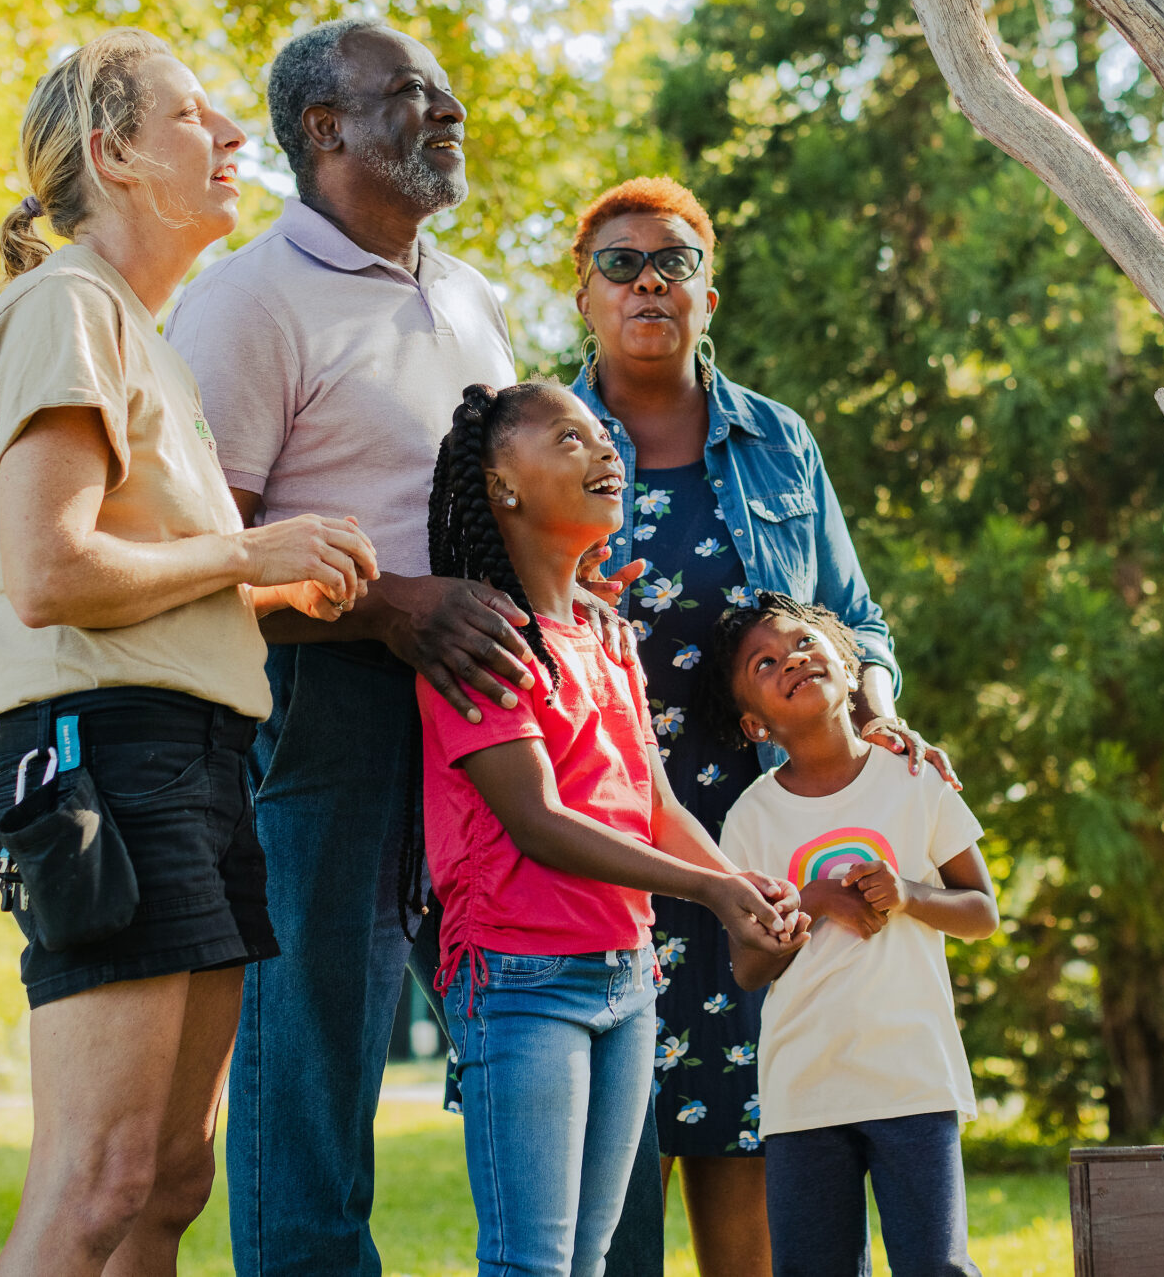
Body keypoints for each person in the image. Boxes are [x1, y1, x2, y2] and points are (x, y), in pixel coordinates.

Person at [165, 21, 638, 1275]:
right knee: (316, 1044)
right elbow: (199, 561)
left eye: (446, 93)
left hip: (490, 713)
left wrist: (567, 586)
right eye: (411, 96)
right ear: (323, 130)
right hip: (329, 706)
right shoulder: (244, 304)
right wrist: (390, 608)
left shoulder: (471, 294)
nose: (449, 112)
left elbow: (496, 501)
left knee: (531, 1005)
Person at [0, 29, 380, 1277]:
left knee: (172, 1181)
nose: (236, 136)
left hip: (194, 757)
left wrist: (273, 586)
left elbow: (141, 589)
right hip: (106, 763)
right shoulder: (68, 307)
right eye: (197, 116)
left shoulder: (148, 337)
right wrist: (249, 555)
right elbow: (51, 575)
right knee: (100, 1182)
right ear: (117, 153)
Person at [568, 179, 956, 1277]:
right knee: (613, 1169)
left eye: (674, 262)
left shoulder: (777, 440)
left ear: (709, 295)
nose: (649, 280)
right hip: (605, 839)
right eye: (621, 263)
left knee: (758, 1130)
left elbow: (854, 615)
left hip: (765, 849)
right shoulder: (538, 433)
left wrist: (878, 713)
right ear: (584, 297)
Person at [416, 380, 812, 1277]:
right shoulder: (483, 643)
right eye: (568, 439)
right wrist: (710, 889)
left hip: (628, 976)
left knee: (589, 1261)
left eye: (604, 439)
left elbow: (655, 804)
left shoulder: (606, 636)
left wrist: (736, 883)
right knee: (533, 1263)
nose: (605, 455)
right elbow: (538, 821)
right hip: (522, 984)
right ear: (502, 485)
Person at [713, 593, 999, 1277]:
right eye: (766, 663)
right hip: (804, 1091)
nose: (793, 662)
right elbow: (749, 970)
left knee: (937, 1267)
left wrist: (910, 894)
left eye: (806, 645)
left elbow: (983, 912)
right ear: (756, 724)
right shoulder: (750, 818)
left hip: (912, 1081)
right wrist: (810, 901)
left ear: (848, 664)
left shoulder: (914, 781)